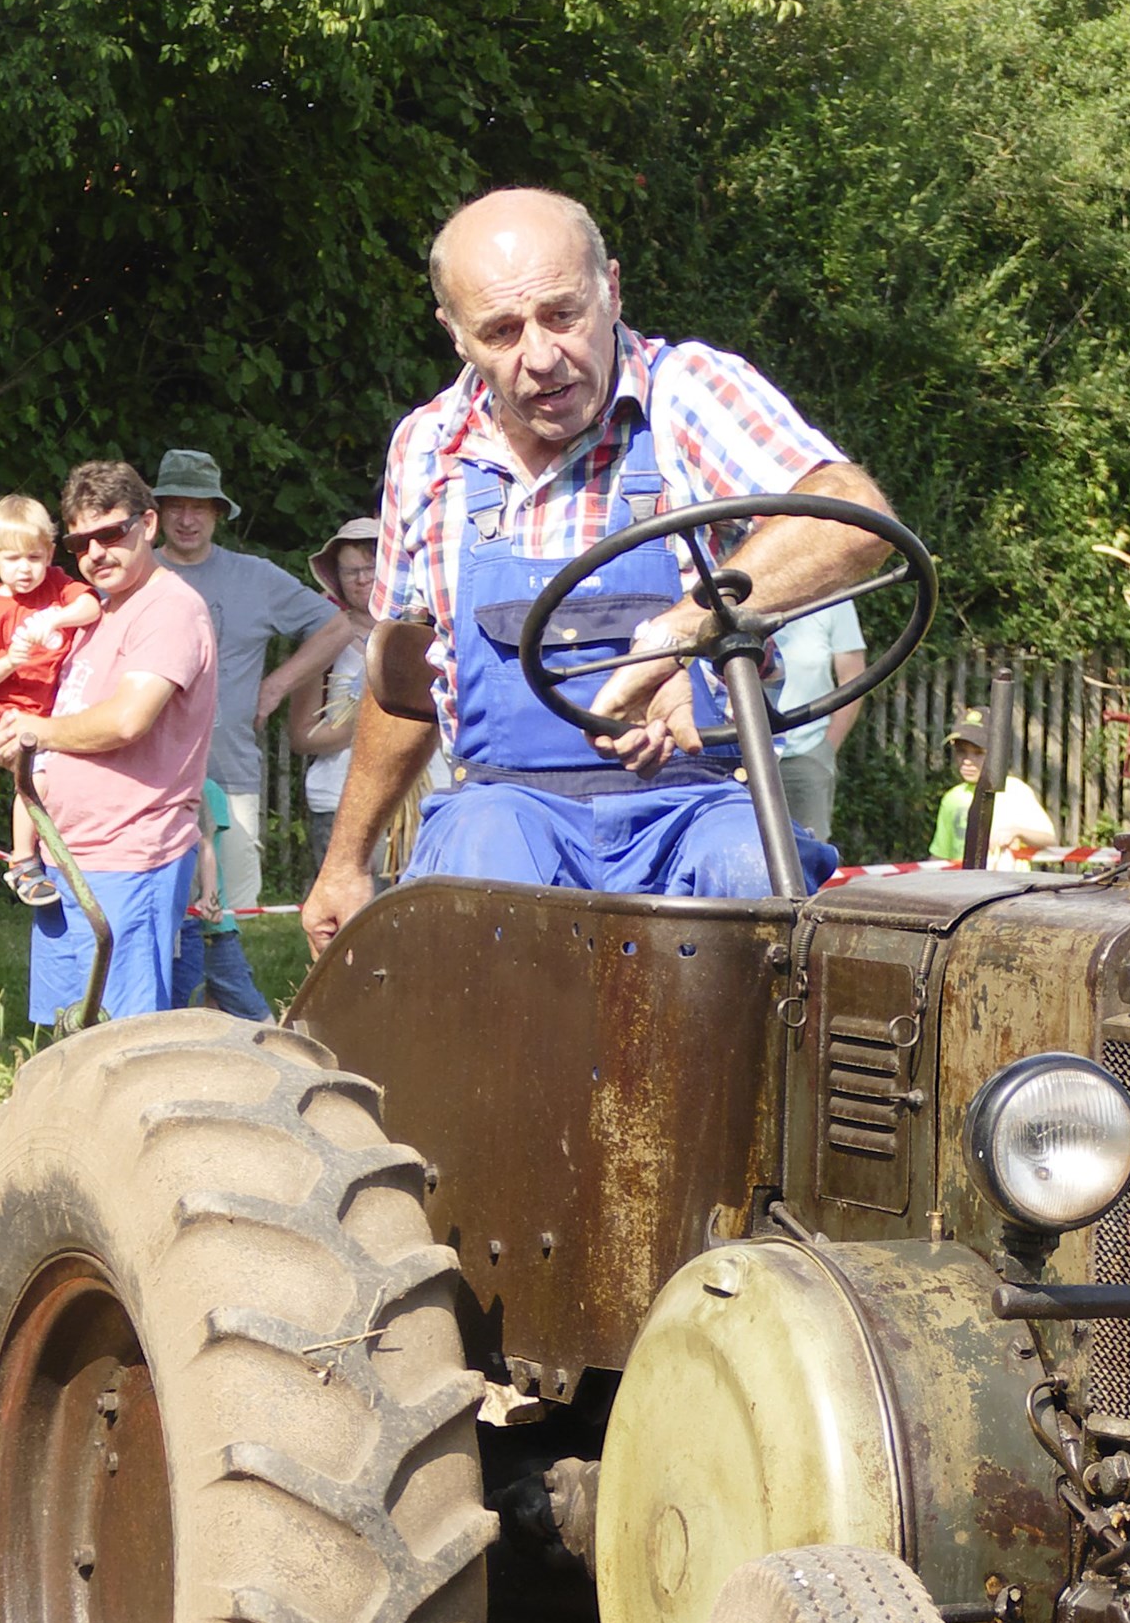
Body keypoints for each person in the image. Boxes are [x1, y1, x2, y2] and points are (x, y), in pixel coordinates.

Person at [300, 187, 898, 945]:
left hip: (694, 801)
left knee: (758, 895)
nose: (541, 357)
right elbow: (408, 675)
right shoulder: (426, 449)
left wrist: (681, 636)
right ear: (456, 336)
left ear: (610, 288)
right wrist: (345, 862)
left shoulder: (686, 392)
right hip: (504, 806)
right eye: (502, 331)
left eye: (562, 314)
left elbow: (849, 514)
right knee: (470, 910)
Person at [0, 461, 217, 1027]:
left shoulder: (169, 608)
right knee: (65, 1037)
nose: (96, 552)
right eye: (80, 542)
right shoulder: (99, 610)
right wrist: (18, 733)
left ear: (148, 524)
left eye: (111, 534)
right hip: (65, 858)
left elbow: (126, 720)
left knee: (126, 1041)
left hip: (130, 856)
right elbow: (56, 713)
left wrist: (34, 733)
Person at [140, 450, 319, 1020]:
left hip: (231, 771)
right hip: (147, 778)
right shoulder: (134, 574)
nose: (187, 519)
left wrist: (278, 685)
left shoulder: (255, 577)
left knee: (226, 918)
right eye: (175, 507)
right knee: (154, 916)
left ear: (219, 514)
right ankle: (159, 1028)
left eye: (200, 508)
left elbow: (337, 623)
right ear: (156, 513)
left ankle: (226, 1040)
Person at [0, 493, 99, 898]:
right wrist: (9, 661)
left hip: (66, 705)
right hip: (18, 712)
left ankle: (77, 854)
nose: (25, 569)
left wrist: (55, 615)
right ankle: (23, 862)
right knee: (35, 781)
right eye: (13, 559)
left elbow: (91, 606)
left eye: (34, 558)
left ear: (50, 554)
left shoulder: (58, 586)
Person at [287, 515, 410, 877]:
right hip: (341, 797)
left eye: (370, 568)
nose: (360, 580)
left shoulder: (424, 631)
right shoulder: (323, 639)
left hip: (419, 798)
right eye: (349, 571)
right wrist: (371, 721)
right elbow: (302, 736)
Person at [767, 598, 867, 849]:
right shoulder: (746, 590)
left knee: (808, 859)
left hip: (805, 755)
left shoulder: (835, 600)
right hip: (743, 754)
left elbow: (853, 679)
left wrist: (826, 747)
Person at [925, 710, 1062, 865]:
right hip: (962, 885)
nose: (967, 761)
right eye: (961, 752)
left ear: (997, 753)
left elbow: (1050, 840)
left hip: (1009, 886)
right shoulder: (952, 798)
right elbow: (940, 855)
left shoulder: (1016, 791)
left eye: (978, 753)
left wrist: (1017, 832)